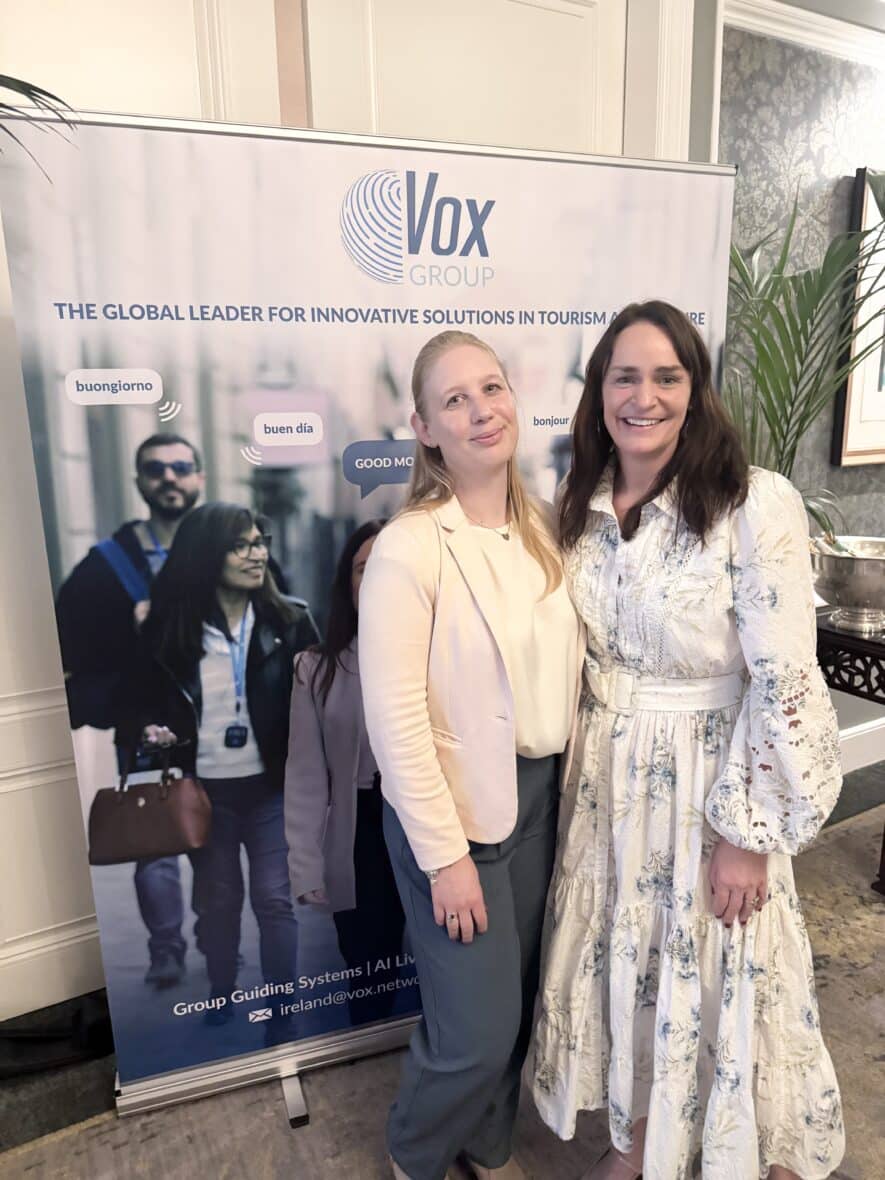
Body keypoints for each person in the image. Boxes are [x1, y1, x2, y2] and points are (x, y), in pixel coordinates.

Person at [531, 301, 844, 1179]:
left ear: (695, 388)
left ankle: (754, 1154)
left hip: (711, 781)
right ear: (597, 393)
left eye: (666, 376)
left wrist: (748, 834)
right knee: (631, 966)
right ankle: (639, 1142)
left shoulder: (752, 501)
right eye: (624, 377)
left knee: (724, 965)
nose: (644, 397)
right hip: (608, 779)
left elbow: (785, 680)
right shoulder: (581, 501)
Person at [359, 331, 581, 1180]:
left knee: (519, 1004)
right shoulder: (410, 546)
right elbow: (395, 720)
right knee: (474, 1031)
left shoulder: (546, 527)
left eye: (491, 388)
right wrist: (444, 856)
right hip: (454, 813)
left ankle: (486, 1147)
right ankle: (413, 1155)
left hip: (542, 800)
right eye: (455, 399)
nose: (482, 410)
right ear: (424, 428)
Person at [118, 502, 319, 1046]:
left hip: (271, 788)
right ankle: (223, 990)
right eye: (241, 545)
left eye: (260, 542)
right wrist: (150, 729)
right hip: (204, 794)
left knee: (274, 899)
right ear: (208, 555)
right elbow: (133, 704)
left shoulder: (290, 621)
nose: (257, 555)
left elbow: (320, 701)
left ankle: (282, 1013)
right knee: (219, 902)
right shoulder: (166, 630)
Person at [56, 432, 205, 987]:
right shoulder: (105, 567)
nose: (169, 477)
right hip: (145, 721)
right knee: (155, 842)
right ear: (139, 481)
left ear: (199, 478)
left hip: (220, 722)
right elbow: (71, 647)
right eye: (156, 469)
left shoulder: (227, 546)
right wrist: (130, 635)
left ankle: (218, 944)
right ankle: (166, 950)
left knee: (217, 844)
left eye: (180, 467)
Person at [285, 518, 412, 1027]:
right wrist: (305, 865)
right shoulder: (315, 668)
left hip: (430, 825)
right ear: (347, 583)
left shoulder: (442, 654)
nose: (377, 578)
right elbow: (305, 776)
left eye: (390, 566)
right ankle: (372, 1047)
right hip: (359, 832)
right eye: (364, 568)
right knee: (367, 966)